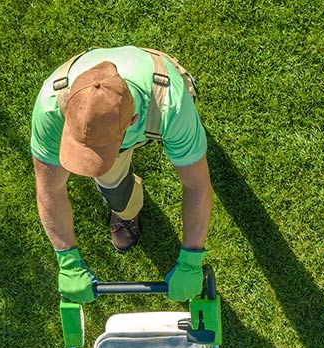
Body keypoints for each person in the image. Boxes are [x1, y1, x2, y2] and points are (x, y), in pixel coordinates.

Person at [31, 46, 212, 303]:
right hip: (133, 123)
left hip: (158, 102)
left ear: (132, 120)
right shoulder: (51, 107)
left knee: (189, 148)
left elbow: (196, 185)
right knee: (114, 189)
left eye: (98, 150)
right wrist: (67, 260)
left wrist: (191, 261)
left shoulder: (171, 105)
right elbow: (49, 188)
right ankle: (126, 212)